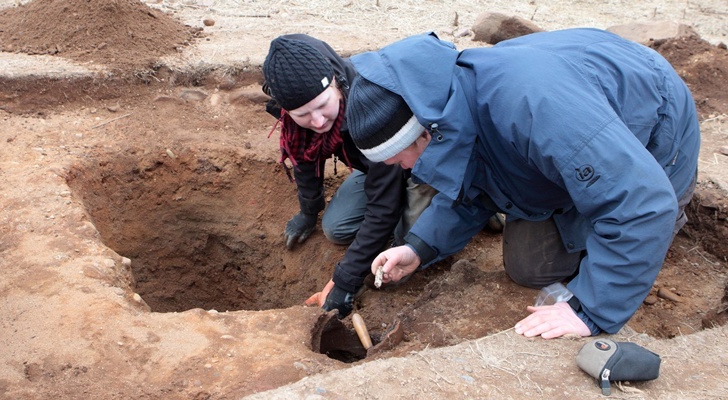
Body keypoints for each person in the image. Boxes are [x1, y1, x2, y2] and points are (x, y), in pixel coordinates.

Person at [344, 28, 700, 338]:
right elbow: (474, 183)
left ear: (424, 134)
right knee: (533, 268)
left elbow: (640, 201)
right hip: (580, 128)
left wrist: (587, 309)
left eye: (399, 159)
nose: (403, 169)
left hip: (651, 126)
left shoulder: (534, 109)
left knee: (637, 212)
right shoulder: (449, 109)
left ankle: (653, 225)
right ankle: (591, 204)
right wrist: (418, 248)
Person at [261, 34, 438, 318]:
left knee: (403, 252)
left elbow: (384, 205)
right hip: (376, 168)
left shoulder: (369, 102)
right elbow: (305, 161)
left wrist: (344, 281)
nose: (317, 121)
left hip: (422, 163)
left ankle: (468, 204)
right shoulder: (299, 123)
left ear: (335, 82)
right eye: (303, 114)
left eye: (322, 106)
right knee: (336, 228)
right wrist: (309, 211)